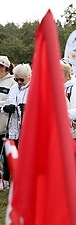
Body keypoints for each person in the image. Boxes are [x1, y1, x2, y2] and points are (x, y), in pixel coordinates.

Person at [0, 56, 15, 189]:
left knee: (5, 153)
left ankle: (5, 179)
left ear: (4, 67)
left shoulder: (12, 82)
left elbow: (11, 102)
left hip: (6, 124)